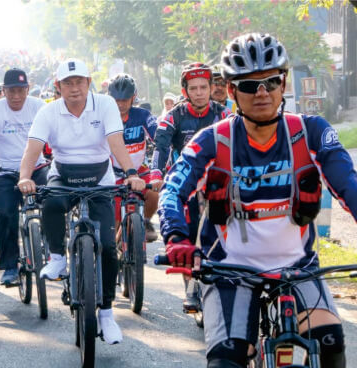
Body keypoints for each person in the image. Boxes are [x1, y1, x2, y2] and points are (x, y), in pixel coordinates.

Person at [159, 33, 357, 368]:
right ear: (233, 92)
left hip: (299, 269)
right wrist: (176, 237)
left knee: (332, 342)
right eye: (249, 86)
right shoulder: (212, 140)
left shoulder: (311, 132)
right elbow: (173, 190)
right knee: (226, 359)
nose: (262, 92)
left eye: (270, 82)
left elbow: (349, 185)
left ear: (283, 84)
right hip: (228, 270)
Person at [18, 59, 145, 345]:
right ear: (58, 87)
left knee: (109, 248)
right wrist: (25, 177)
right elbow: (33, 147)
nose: (74, 88)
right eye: (67, 83)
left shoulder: (106, 105)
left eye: (79, 82)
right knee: (49, 203)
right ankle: (58, 258)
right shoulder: (48, 111)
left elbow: (115, 142)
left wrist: (132, 173)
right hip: (63, 174)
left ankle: (108, 315)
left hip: (100, 177)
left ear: (88, 83)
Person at [152, 62, 231, 312]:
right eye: (193, 88)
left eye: (204, 87)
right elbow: (161, 147)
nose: (199, 92)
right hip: (186, 184)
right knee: (188, 235)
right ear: (185, 91)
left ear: (211, 88)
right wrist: (156, 174)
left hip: (218, 183)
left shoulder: (224, 115)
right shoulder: (173, 116)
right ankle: (191, 289)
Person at [0, 68, 47, 285]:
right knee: (5, 214)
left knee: (54, 201)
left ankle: (51, 248)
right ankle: (9, 267)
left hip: (37, 168)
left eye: (21, 90)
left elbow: (59, 134)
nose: (16, 96)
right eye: (11, 91)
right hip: (3, 171)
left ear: (28, 89)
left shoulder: (40, 108)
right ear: (4, 90)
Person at [107, 74, 160, 242]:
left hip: (139, 170)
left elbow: (159, 138)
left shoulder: (143, 115)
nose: (121, 104)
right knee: (114, 224)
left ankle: (144, 221)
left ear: (134, 97)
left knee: (154, 191)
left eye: (125, 100)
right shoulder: (104, 117)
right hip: (112, 173)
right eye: (117, 100)